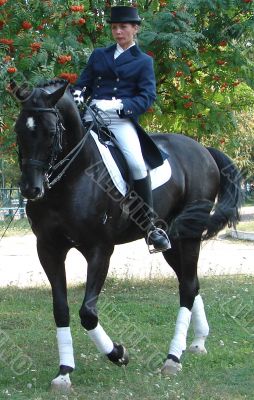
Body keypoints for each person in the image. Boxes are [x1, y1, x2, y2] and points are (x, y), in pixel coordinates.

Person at [73, 6, 170, 252]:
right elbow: (83, 84)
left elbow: (147, 97)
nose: (118, 32)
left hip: (119, 119)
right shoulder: (99, 55)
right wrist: (76, 96)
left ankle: (149, 226)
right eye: (115, 28)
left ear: (134, 29)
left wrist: (119, 106)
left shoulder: (143, 61)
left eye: (123, 27)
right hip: (91, 115)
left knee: (137, 163)